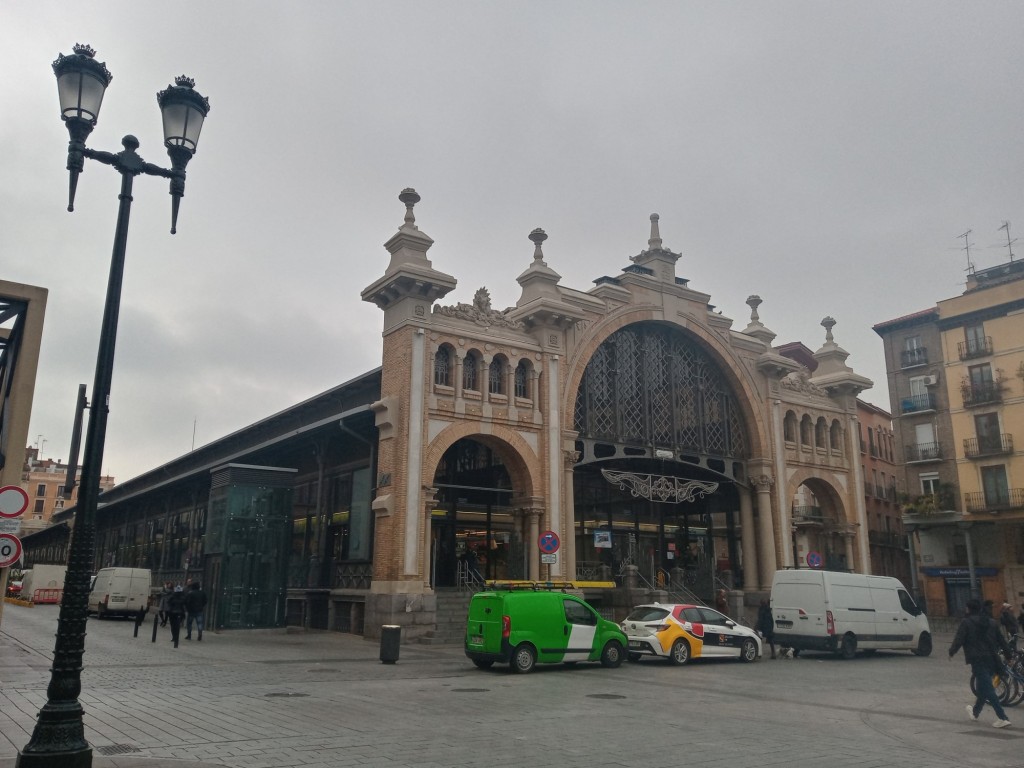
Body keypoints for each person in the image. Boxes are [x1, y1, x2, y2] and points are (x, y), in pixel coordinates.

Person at [949, 597, 1012, 728]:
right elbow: (1001, 640)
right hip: (992, 658)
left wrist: (952, 652)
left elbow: (959, 639)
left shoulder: (966, 622)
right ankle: (975, 712)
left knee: (988, 689)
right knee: (982, 687)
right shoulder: (991, 622)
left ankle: (1002, 717)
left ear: (969, 609)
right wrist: (1008, 656)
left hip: (977, 658)